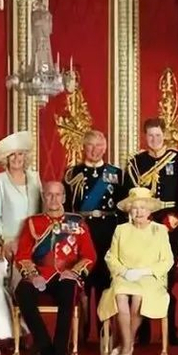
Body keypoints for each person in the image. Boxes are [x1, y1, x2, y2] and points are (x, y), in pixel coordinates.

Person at [13, 181, 97, 355]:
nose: (53, 199)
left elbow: (89, 255)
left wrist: (74, 273)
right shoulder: (33, 223)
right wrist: (32, 274)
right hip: (40, 274)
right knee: (22, 291)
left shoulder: (76, 222)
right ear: (43, 197)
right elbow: (22, 255)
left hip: (67, 275)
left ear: (64, 198)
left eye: (58, 194)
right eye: (49, 194)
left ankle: (60, 350)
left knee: (69, 289)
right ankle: (43, 345)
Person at [124, 118, 178, 346]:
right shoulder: (136, 161)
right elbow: (130, 194)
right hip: (144, 221)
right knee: (142, 272)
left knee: (166, 276)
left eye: (158, 135)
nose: (154, 139)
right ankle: (143, 332)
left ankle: (170, 331)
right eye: (150, 135)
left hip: (170, 221)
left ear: (165, 135)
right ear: (144, 136)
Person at [97, 188, 174, 355]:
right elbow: (111, 257)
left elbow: (167, 260)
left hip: (150, 278)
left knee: (138, 297)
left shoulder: (160, 230)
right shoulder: (121, 230)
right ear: (129, 210)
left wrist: (144, 272)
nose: (139, 212)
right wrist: (124, 271)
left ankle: (126, 345)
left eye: (143, 208)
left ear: (149, 210)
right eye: (135, 208)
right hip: (124, 275)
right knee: (120, 295)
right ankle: (127, 344)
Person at [63, 129, 126, 341]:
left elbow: (122, 208)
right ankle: (81, 332)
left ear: (105, 148)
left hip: (107, 231)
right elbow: (67, 208)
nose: (95, 150)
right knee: (83, 281)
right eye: (90, 145)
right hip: (82, 231)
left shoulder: (116, 174)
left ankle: (104, 331)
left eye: (99, 146)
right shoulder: (72, 173)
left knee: (104, 281)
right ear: (83, 147)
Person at [0, 131, 42, 256]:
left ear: (25, 156)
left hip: (33, 240)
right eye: (12, 154)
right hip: (9, 242)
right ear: (5, 158)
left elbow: (40, 209)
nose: (17, 158)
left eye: (20, 154)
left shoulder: (35, 178)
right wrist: (1, 243)